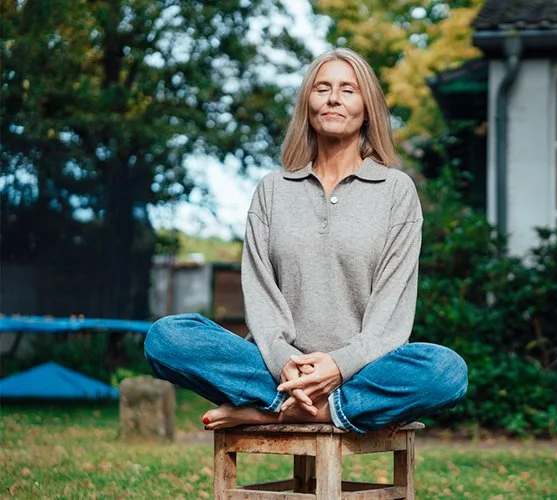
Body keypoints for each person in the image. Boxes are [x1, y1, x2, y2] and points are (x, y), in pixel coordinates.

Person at [144, 48, 468, 434]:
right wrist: (284, 360)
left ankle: (279, 410)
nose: (333, 98)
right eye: (322, 88)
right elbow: (261, 297)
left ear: (367, 109)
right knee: (165, 337)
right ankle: (319, 407)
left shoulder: (396, 190)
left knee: (447, 371)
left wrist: (339, 365)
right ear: (307, 105)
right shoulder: (273, 189)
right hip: (276, 369)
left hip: (362, 370)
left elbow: (390, 316)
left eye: (348, 90)